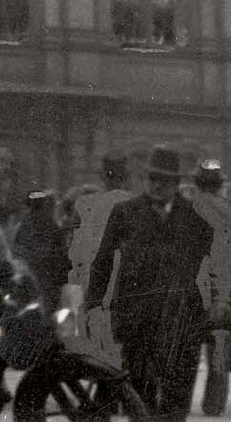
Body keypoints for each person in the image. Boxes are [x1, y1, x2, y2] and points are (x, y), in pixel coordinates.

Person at [85, 147, 213, 422]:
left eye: (164, 180)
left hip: (180, 320)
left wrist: (212, 304)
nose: (157, 185)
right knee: (140, 401)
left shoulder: (196, 218)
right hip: (136, 320)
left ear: (177, 184)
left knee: (176, 401)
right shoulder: (125, 212)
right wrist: (94, 304)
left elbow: (213, 266)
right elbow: (102, 262)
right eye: (153, 178)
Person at [64, 152, 135, 368]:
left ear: (103, 176)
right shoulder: (134, 203)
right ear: (126, 176)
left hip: (88, 283)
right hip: (122, 286)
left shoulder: (84, 203)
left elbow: (72, 246)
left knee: (90, 342)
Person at [186, 159, 231, 417]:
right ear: (220, 185)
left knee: (187, 350)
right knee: (218, 350)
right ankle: (214, 406)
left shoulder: (188, 210)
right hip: (222, 289)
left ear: (198, 184)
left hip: (193, 288)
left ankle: (182, 403)